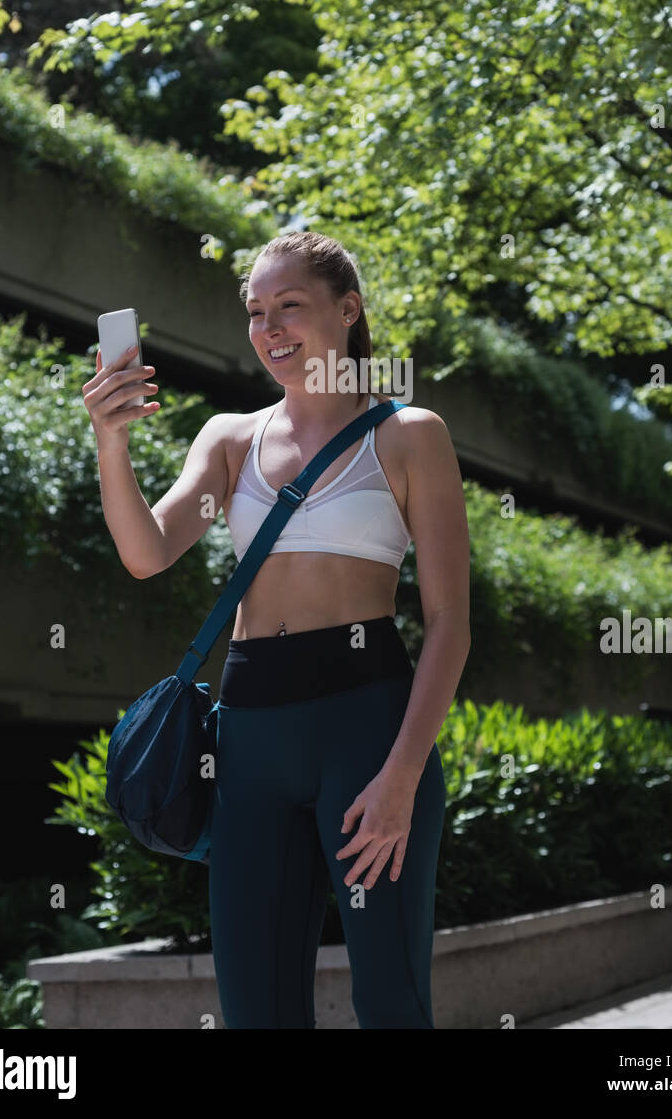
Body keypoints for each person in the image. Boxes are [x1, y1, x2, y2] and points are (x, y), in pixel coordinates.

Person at [84, 230, 471, 1028]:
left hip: (369, 732)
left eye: (289, 306)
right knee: (256, 1008)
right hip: (250, 741)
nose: (269, 328)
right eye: (256, 312)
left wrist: (402, 776)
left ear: (348, 309)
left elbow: (448, 624)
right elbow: (147, 553)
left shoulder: (410, 434)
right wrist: (110, 441)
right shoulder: (230, 440)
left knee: (392, 1001)